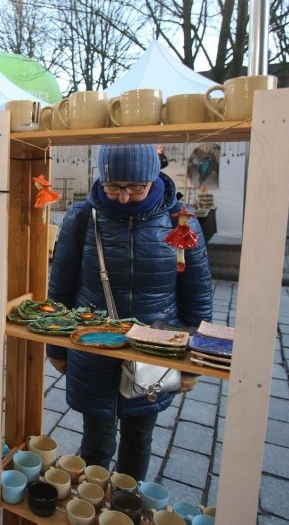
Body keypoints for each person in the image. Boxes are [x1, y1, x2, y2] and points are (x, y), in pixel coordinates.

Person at [46, 143, 213, 481]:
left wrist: (196, 361)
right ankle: (90, 505)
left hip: (155, 349)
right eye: (114, 187)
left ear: (154, 178)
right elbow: (59, 291)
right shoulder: (82, 218)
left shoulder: (180, 222)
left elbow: (198, 297)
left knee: (139, 437)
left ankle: (126, 503)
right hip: (94, 348)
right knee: (97, 441)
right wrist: (56, 349)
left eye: (136, 188)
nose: (123, 197)